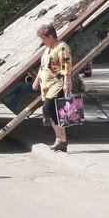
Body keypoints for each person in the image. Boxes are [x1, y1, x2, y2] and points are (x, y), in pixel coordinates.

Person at [33, 22, 74, 152]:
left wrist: (67, 82)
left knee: (48, 110)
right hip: (46, 86)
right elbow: (43, 66)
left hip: (57, 84)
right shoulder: (47, 49)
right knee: (56, 113)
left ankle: (60, 139)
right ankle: (61, 140)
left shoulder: (61, 47)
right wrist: (37, 79)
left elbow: (66, 65)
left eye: (43, 38)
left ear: (51, 36)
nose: (43, 41)